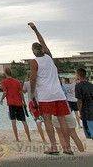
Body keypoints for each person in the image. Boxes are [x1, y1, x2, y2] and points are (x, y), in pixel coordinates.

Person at [27, 22, 71, 155]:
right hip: (59, 94)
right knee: (62, 120)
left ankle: (54, 147)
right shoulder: (49, 56)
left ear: (33, 51)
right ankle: (67, 147)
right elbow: (42, 40)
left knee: (47, 120)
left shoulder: (34, 62)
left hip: (46, 96)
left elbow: (33, 79)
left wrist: (33, 93)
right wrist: (35, 29)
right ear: (42, 49)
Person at [0, 67, 31, 142]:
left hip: (11, 104)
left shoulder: (4, 82)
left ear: (5, 73)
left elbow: (5, 92)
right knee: (24, 121)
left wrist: (1, 99)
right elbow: (21, 93)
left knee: (13, 121)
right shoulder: (17, 81)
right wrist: (24, 102)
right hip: (19, 103)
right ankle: (29, 138)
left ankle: (17, 138)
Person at [75, 67, 93, 139]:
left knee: (89, 130)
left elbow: (79, 101)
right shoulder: (91, 85)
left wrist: (80, 112)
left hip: (86, 111)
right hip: (91, 108)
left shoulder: (78, 86)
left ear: (78, 75)